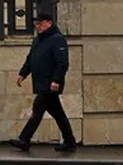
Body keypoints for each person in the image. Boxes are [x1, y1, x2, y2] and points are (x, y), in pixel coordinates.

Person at [9, 12, 77, 152]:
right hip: (41, 82)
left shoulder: (57, 40)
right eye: (36, 24)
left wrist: (56, 80)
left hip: (50, 83)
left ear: (49, 23)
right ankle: (69, 141)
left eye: (40, 23)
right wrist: (23, 73)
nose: (37, 26)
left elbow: (62, 62)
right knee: (58, 113)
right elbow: (31, 58)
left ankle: (24, 139)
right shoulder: (38, 40)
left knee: (38, 110)